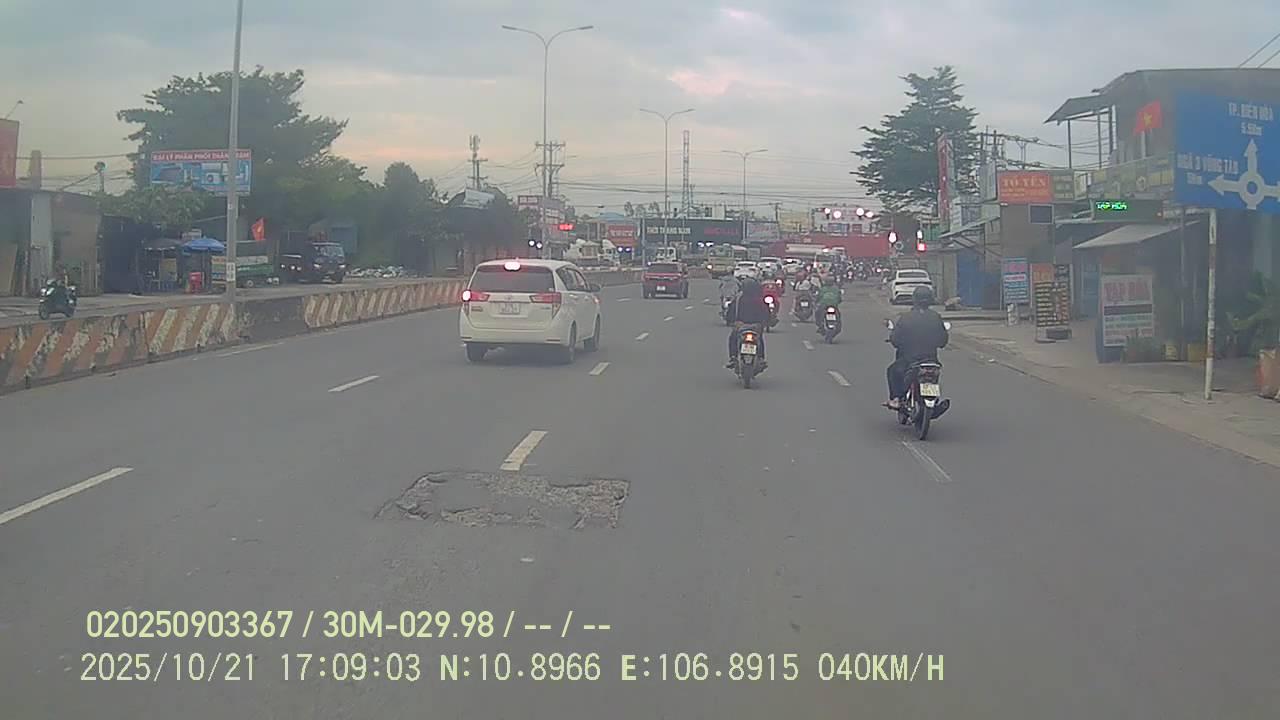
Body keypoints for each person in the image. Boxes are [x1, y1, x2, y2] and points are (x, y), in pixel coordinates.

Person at [886, 285, 949, 410]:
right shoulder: (935, 317)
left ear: (914, 299)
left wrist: (898, 342)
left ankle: (896, 399)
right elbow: (943, 341)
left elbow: (895, 340)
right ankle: (933, 401)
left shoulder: (906, 317)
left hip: (910, 360)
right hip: (931, 360)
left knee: (892, 371)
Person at [728, 278, 768, 369]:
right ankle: (761, 358)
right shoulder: (759, 300)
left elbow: (731, 311)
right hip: (756, 326)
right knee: (759, 339)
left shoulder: (738, 299)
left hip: (741, 325)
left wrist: (732, 321)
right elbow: (766, 312)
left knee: (733, 338)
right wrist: (764, 323)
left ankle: (733, 357)